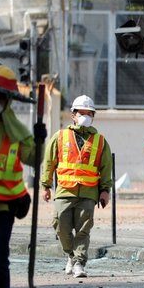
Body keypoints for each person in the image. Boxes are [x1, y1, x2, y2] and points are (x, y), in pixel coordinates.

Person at [41, 95, 113, 278]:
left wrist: (105, 190)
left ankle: (79, 263)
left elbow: (105, 168)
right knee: (60, 225)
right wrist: (46, 185)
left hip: (89, 193)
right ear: (73, 115)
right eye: (82, 113)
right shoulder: (60, 137)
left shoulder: (100, 141)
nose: (86, 116)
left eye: (90, 113)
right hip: (64, 190)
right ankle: (71, 256)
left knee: (83, 230)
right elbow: (49, 162)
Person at [0, 65, 40, 288]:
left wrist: (40, 141)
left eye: (0, 99)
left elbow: (34, 158)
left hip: (4, 208)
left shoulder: (15, 132)